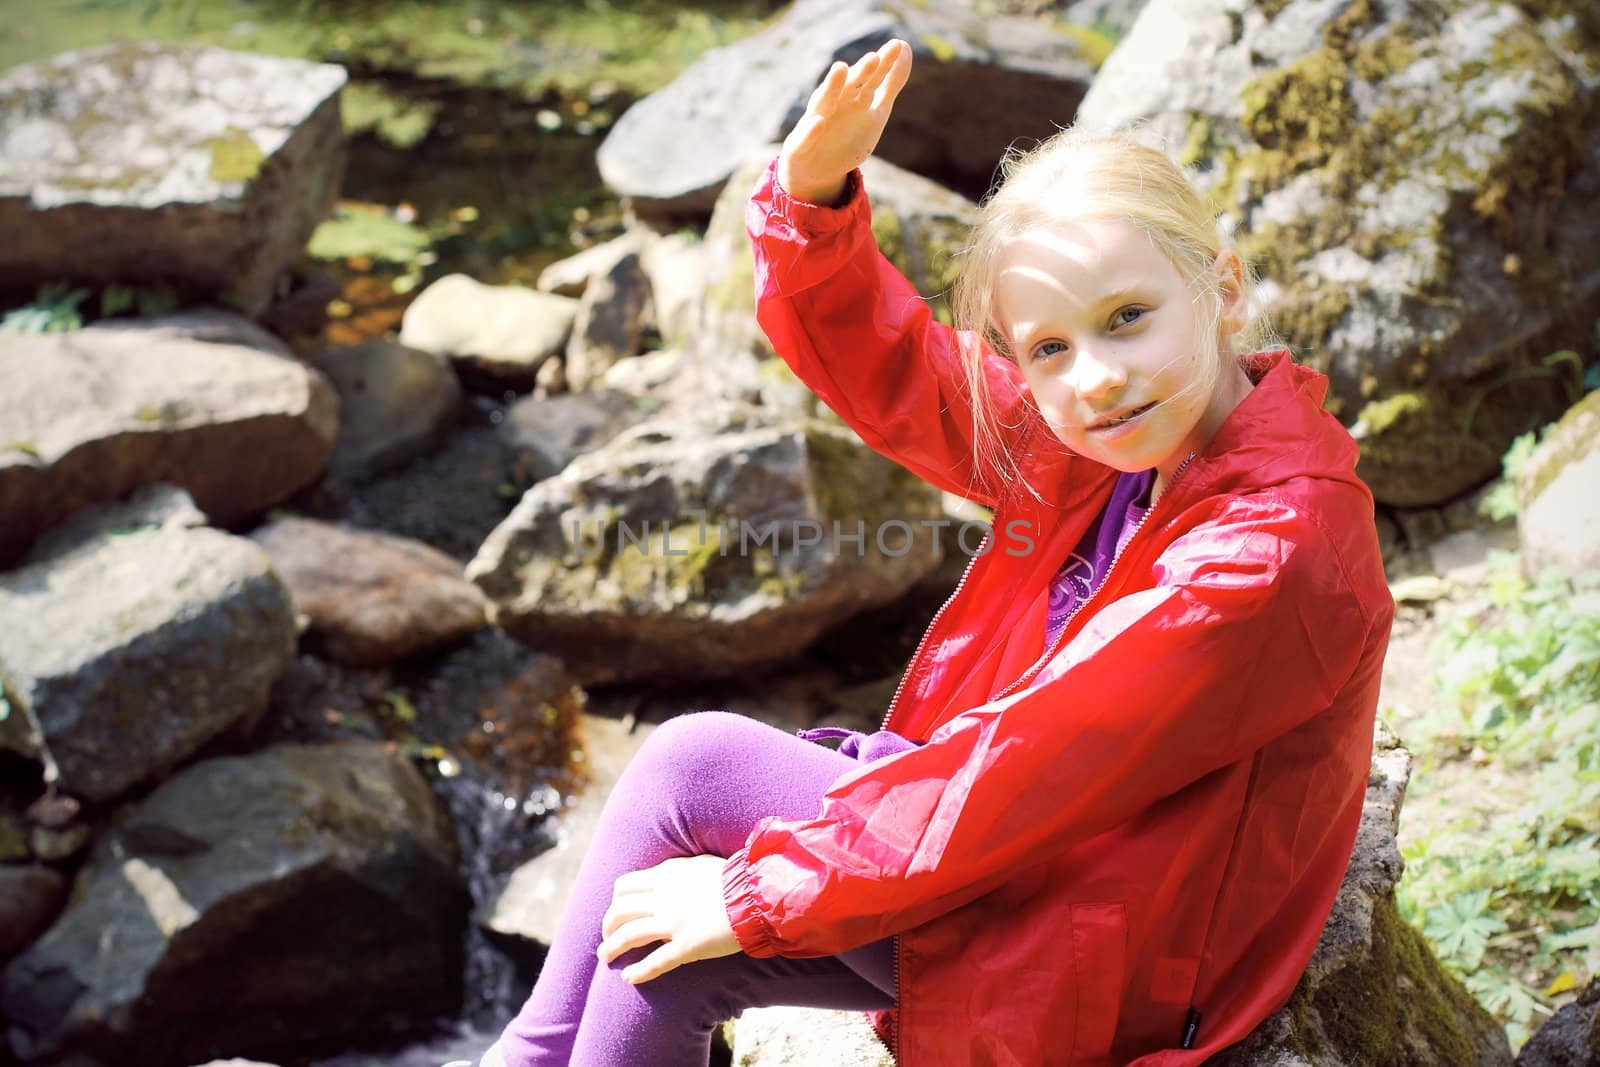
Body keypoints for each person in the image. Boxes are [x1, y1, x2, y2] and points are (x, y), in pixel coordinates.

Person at [469, 36, 1395, 1067]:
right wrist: (811, 195)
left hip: (1118, 938)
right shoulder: (1128, 439)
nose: (1093, 377)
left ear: (1222, 289)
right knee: (662, 943)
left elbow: (1027, 765)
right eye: (1047, 347)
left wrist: (757, 890)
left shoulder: (1268, 548)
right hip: (1069, 864)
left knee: (694, 768)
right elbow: (907, 366)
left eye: (1127, 318)